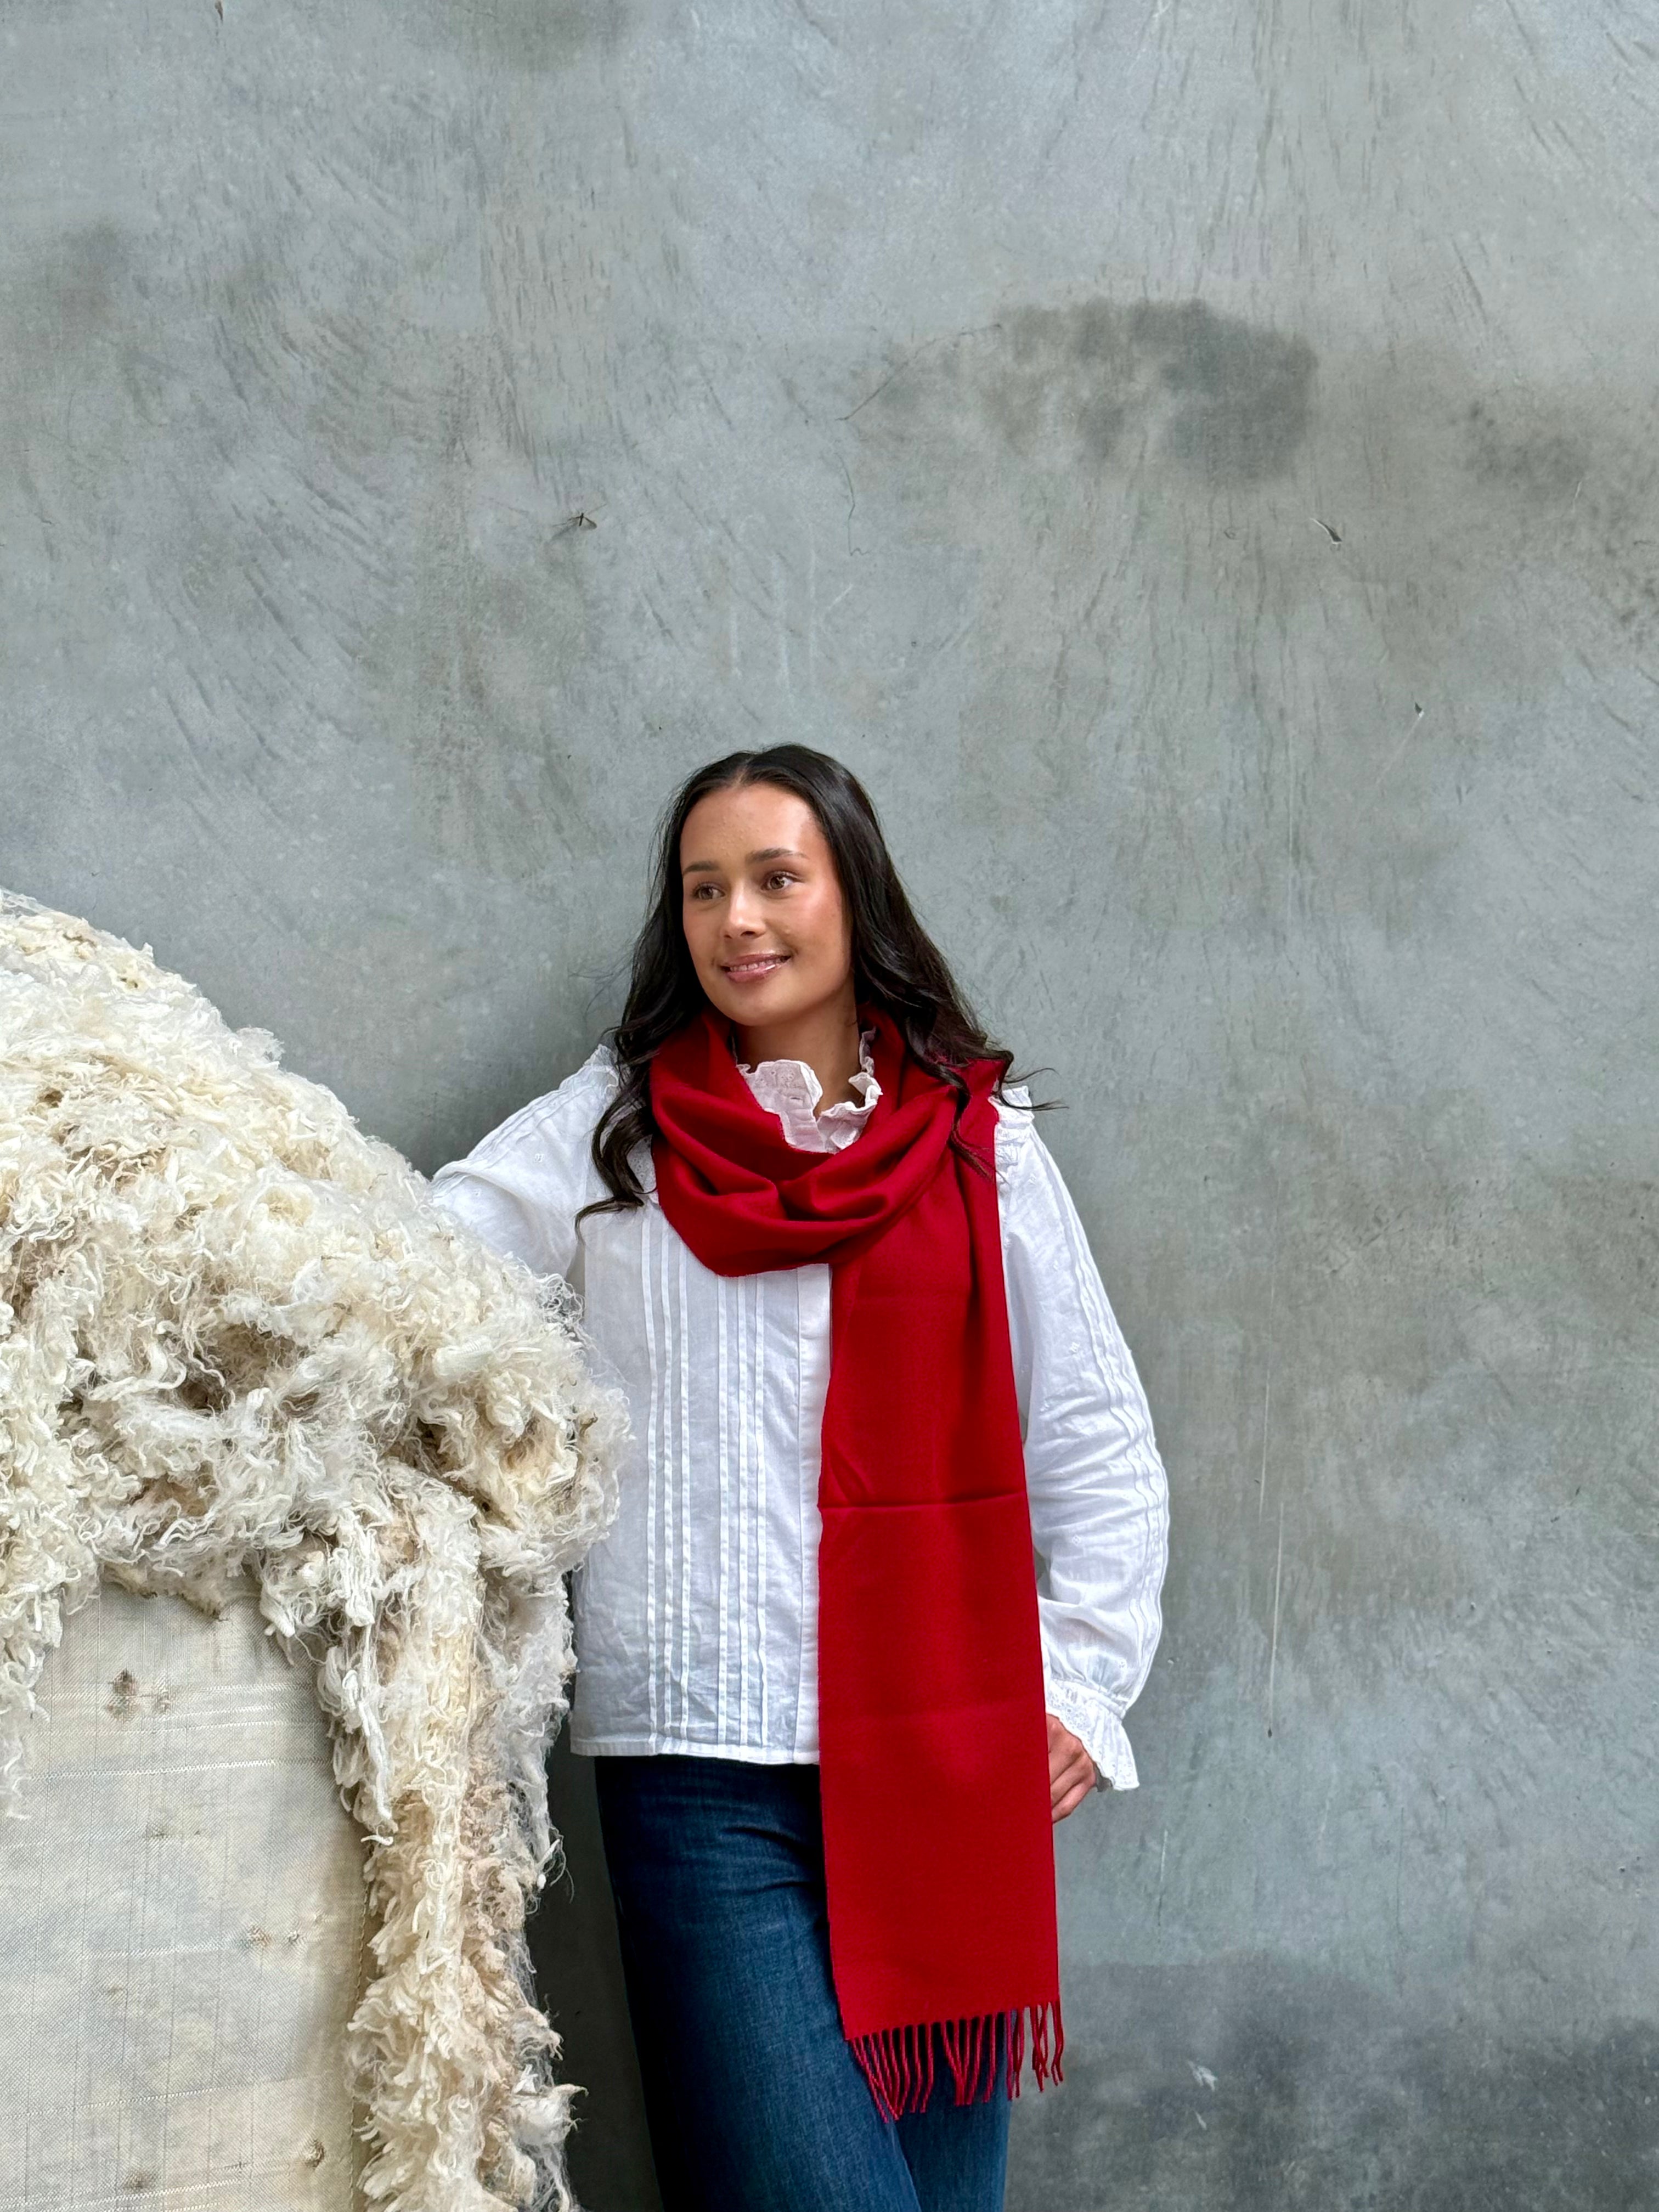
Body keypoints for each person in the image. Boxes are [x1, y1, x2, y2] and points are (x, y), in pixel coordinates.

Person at [431, 744, 1170, 2212]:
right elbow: (415, 1265)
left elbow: (1095, 1435)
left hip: (949, 1766)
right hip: (706, 1778)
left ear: (854, 896)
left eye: (777, 878)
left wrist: (1082, 1685)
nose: (739, 920)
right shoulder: (615, 1134)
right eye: (705, 889)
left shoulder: (981, 1141)